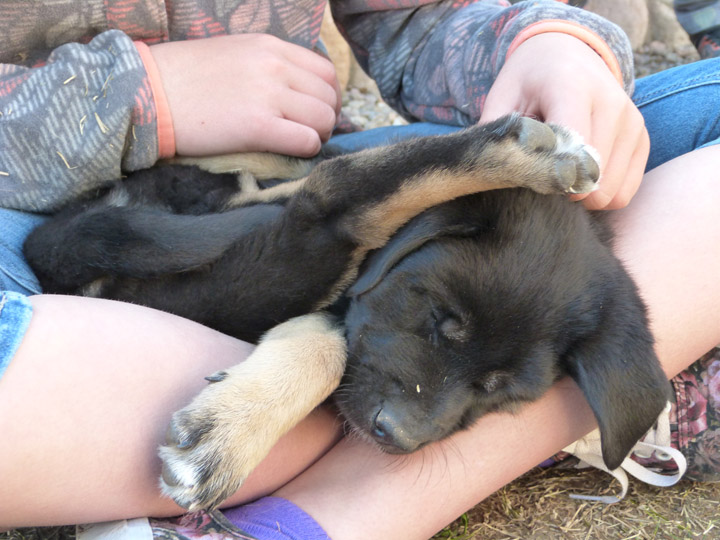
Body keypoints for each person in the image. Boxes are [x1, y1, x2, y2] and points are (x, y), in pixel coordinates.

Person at [0, 1, 719, 539]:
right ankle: (549, 417)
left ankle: (315, 494)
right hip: (27, 215)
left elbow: (412, 17)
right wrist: (130, 98)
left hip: (309, 174)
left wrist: (545, 46)